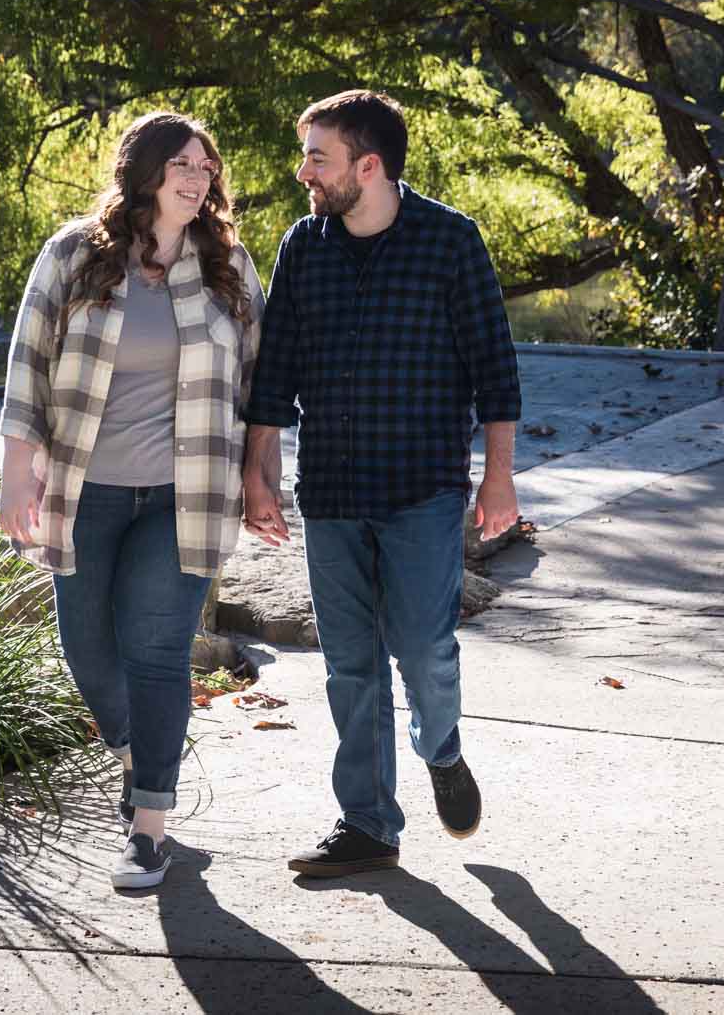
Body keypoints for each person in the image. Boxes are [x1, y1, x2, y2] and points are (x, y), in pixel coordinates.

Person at [240, 89, 521, 876]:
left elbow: (495, 373)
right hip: (330, 489)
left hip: (422, 488)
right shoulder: (304, 245)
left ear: (369, 165)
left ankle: (442, 748)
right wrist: (261, 473)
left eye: (317, 156)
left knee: (424, 647)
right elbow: (275, 373)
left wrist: (498, 479)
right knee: (349, 663)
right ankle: (368, 822)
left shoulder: (452, 241)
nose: (304, 171)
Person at [0, 110, 264, 891]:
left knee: (155, 651)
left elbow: (261, 378)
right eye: (182, 163)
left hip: (186, 495)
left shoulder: (228, 263)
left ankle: (149, 828)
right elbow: (29, 361)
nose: (197, 176)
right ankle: (140, 757)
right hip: (86, 487)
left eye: (206, 167)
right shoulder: (75, 254)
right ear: (145, 171)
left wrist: (259, 475)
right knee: (85, 649)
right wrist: (18, 471)